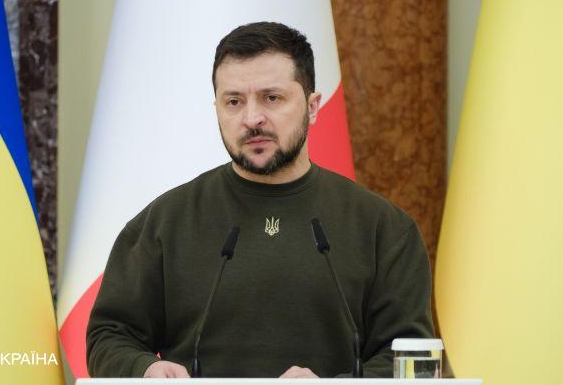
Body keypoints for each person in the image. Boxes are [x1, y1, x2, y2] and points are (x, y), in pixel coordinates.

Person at [86, 21, 434, 378]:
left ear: (313, 106)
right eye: (234, 102)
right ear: (217, 109)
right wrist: (145, 369)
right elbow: (109, 337)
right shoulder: (166, 221)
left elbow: (412, 360)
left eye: (272, 98)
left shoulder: (383, 228)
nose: (252, 119)